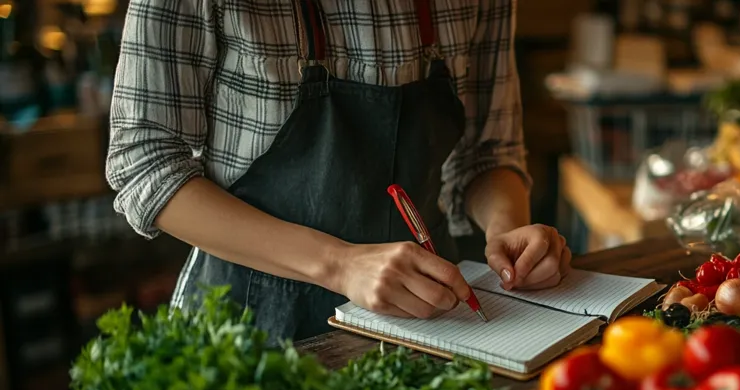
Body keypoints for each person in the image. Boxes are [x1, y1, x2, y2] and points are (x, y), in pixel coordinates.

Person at [105, 0, 570, 341]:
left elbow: (487, 153)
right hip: (248, 327)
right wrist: (341, 265)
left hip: (429, 321)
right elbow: (146, 164)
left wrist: (508, 235)